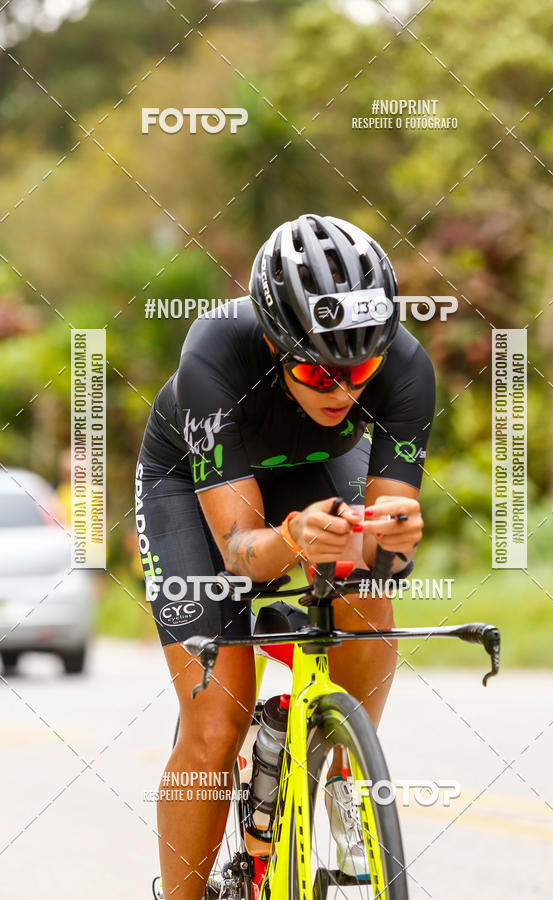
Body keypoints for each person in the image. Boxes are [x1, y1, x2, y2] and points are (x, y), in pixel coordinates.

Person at [136, 213, 435, 898]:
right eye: (315, 370)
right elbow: (242, 555)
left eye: (359, 368)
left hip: (315, 469)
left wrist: (388, 548)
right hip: (192, 485)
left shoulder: (406, 367)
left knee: (368, 591)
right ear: (274, 342)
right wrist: (297, 538)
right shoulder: (213, 355)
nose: (342, 390)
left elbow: (386, 554)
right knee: (216, 724)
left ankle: (335, 774)